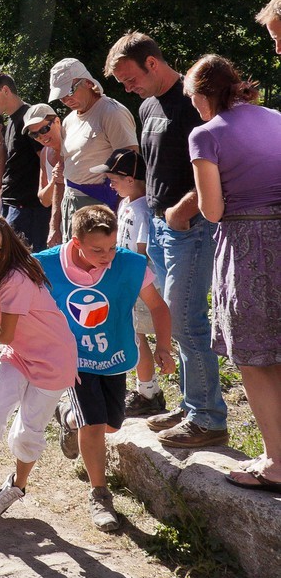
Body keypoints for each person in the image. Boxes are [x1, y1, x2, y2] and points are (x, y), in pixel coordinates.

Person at [105, 31, 228, 450]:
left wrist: (184, 210)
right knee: (174, 320)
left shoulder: (193, 100)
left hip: (189, 227)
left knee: (186, 318)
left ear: (152, 63)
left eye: (129, 77)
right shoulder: (147, 105)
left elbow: (218, 164)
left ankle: (209, 417)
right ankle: (193, 406)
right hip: (158, 226)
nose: (126, 87)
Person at [41, 204, 174, 532]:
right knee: (96, 425)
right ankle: (99, 495)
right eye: (97, 249)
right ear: (76, 243)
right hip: (74, 357)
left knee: (112, 425)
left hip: (114, 355)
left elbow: (157, 306)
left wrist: (164, 347)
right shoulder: (46, 265)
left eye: (112, 246)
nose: (107, 255)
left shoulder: (129, 266)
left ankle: (68, 417)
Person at [185, 53, 281, 491]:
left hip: (249, 245)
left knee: (255, 359)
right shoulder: (276, 117)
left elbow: (212, 208)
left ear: (204, 96)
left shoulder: (205, 135)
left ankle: (277, 465)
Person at [0, 215, 78, 517]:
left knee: (26, 434)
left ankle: (17, 487)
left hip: (53, 361)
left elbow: (4, 333)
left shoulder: (14, 277)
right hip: (20, 355)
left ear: (8, 247)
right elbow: (7, 314)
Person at [102, 147, 171, 417]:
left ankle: (149, 393)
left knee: (137, 336)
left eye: (113, 179)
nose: (110, 184)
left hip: (138, 283)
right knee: (133, 335)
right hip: (126, 278)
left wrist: (128, 281)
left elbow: (141, 249)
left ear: (130, 179)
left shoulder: (142, 209)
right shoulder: (125, 204)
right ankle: (144, 388)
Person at [47, 58, 137, 236]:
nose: (66, 99)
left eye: (69, 91)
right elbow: (63, 171)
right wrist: (54, 225)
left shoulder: (111, 112)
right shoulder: (69, 120)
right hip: (70, 205)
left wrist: (119, 211)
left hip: (102, 206)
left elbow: (131, 163)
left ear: (88, 82)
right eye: (61, 96)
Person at [0, 72, 49, 252]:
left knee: (29, 265)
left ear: (6, 90)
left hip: (30, 209)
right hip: (12, 207)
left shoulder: (30, 118)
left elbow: (46, 158)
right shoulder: (10, 123)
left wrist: (44, 196)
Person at [22, 104, 65, 247]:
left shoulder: (76, 145)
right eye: (34, 134)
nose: (41, 137)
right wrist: (55, 180)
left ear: (57, 122)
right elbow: (44, 200)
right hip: (59, 224)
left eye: (44, 129)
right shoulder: (45, 154)